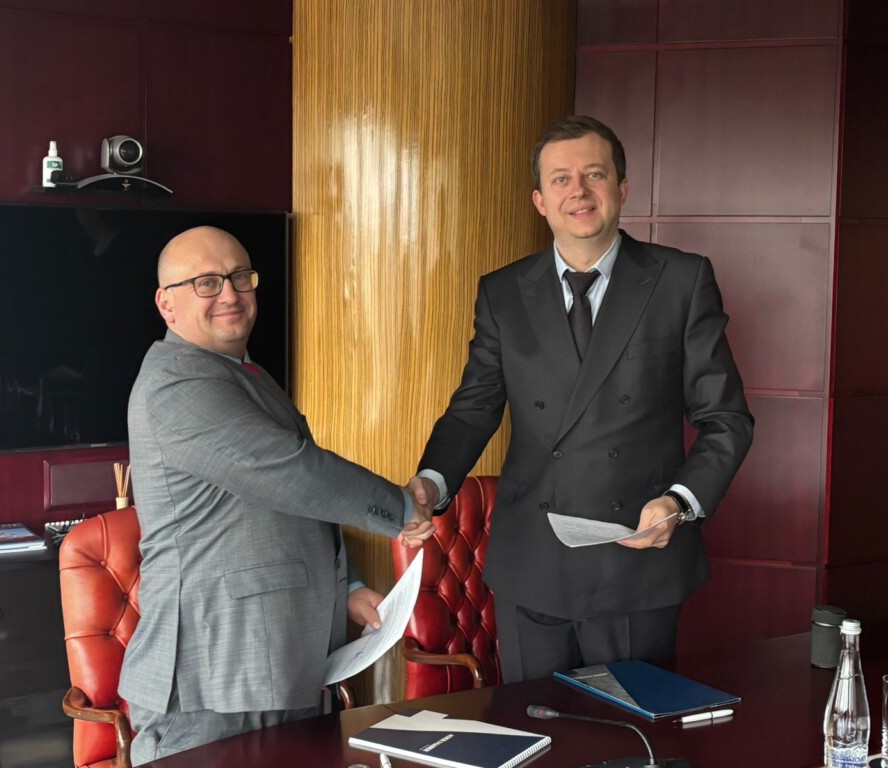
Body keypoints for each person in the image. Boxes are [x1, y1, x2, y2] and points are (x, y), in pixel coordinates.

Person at [411, 115, 754, 683]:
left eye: (595, 174)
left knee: (632, 728)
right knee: (534, 725)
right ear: (540, 201)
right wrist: (432, 481)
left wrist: (680, 500)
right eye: (561, 179)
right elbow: (474, 407)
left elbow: (727, 419)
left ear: (622, 188)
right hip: (532, 562)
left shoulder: (680, 280)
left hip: (637, 557)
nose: (579, 191)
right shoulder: (502, 292)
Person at [119, 226, 435, 764]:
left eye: (240, 277)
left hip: (275, 661)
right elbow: (290, 472)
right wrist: (403, 508)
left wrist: (349, 587)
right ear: (165, 304)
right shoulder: (177, 383)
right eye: (206, 282)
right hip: (212, 675)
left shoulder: (242, 371)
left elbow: (286, 506)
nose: (229, 293)